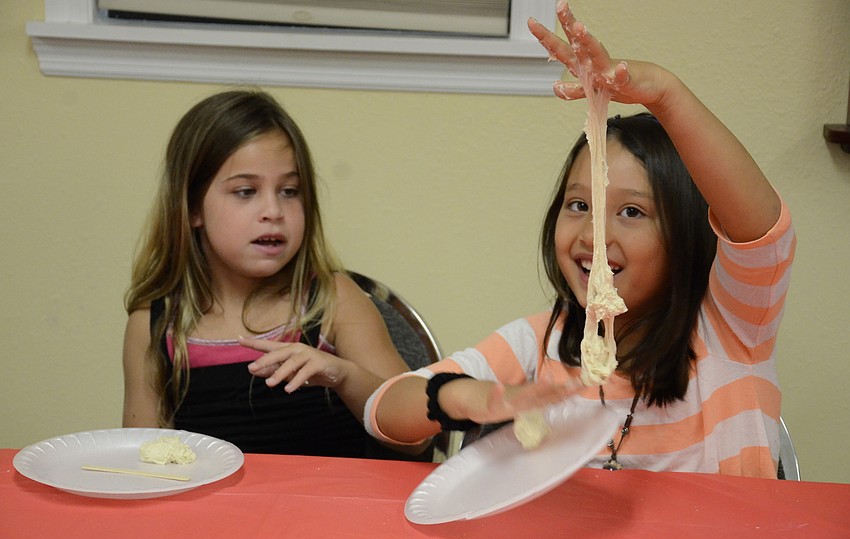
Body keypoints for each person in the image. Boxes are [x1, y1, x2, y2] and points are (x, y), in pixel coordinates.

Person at [364, 2, 795, 478]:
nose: (594, 234)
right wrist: (464, 395)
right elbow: (384, 412)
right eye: (579, 206)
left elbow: (760, 228)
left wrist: (666, 96)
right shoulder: (541, 340)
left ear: (685, 232)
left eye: (631, 212)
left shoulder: (731, 328)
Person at [122, 89, 428, 460]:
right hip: (213, 518)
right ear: (191, 209)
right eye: (246, 191)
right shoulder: (155, 325)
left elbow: (417, 434)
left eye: (289, 191)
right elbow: (145, 461)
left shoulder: (335, 300)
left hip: (330, 513)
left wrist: (343, 376)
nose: (273, 210)